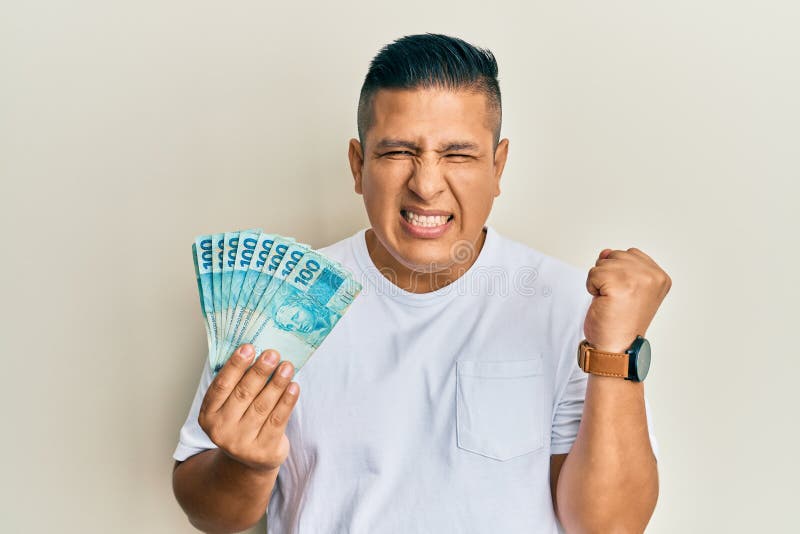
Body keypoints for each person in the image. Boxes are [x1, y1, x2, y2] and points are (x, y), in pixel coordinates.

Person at [172, 33, 670, 533]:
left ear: (498, 167)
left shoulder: (569, 306)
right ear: (358, 164)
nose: (426, 184)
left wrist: (617, 352)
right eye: (398, 152)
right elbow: (210, 514)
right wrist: (247, 466)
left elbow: (608, 527)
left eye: (458, 155)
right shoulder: (278, 300)